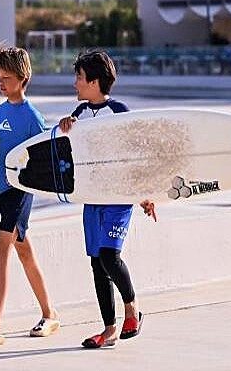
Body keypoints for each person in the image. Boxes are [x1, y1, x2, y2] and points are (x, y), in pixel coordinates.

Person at [58, 50, 157, 349]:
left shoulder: (119, 111)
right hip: (92, 198)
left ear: (94, 82)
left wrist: (144, 194)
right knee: (96, 263)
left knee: (108, 256)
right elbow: (70, 152)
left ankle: (132, 309)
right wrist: (64, 127)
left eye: (79, 77)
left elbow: (134, 155)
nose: (75, 83)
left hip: (118, 196)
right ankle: (109, 329)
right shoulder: (78, 114)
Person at [0, 46, 59, 346]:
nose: (1, 83)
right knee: (24, 253)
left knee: (0, 253)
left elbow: (43, 155)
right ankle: (50, 314)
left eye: (6, 78)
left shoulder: (32, 117)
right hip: (2, 193)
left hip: (20, 191)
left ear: (23, 78)